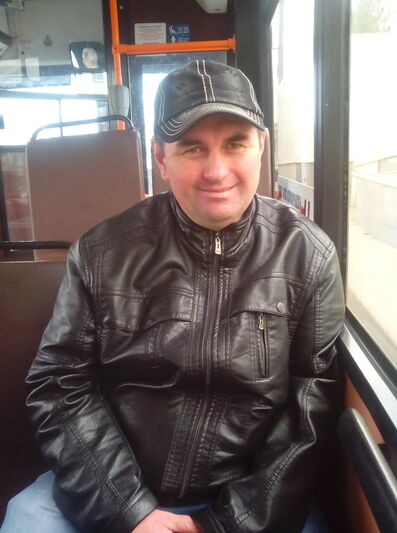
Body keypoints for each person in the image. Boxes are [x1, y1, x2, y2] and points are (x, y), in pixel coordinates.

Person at [0, 60, 344, 533]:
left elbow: (310, 414)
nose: (216, 171)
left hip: (248, 503)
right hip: (110, 488)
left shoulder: (308, 256)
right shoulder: (101, 253)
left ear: (261, 146)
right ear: (160, 158)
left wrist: (224, 524)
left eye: (235, 144)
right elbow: (60, 386)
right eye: (192, 148)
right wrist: (130, 511)